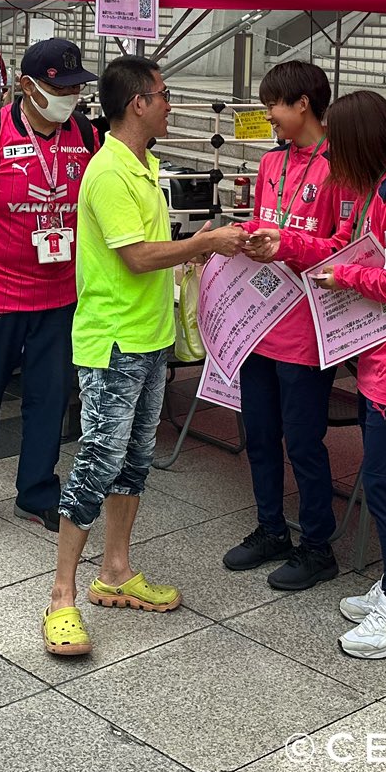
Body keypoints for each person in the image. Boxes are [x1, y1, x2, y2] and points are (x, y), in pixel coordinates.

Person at [42, 56, 249, 659]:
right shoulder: (109, 171)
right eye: (163, 95)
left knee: (134, 461)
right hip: (113, 341)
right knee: (96, 462)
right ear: (138, 103)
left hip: (151, 338)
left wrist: (198, 249)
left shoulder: (145, 165)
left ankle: (116, 570)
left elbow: (152, 251)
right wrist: (204, 240)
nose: (169, 104)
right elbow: (135, 257)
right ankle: (61, 597)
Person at [245, 88, 386, 658]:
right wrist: (285, 243)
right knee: (384, 480)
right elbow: (340, 245)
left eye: (339, 142)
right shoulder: (370, 192)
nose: (331, 153)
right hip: (381, 359)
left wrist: (346, 280)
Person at [0, 38, 99, 529]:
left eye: (75, 88)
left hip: (59, 297)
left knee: (49, 399)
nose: (69, 97)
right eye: (60, 88)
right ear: (27, 86)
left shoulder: (86, 135)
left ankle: (37, 490)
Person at [225, 61, 346, 592]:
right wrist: (241, 236)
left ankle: (318, 546)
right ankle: (271, 529)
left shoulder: (340, 165)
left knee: (303, 443)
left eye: (273, 104)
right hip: (259, 321)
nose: (268, 115)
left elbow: (344, 248)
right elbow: (264, 222)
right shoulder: (271, 161)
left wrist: (287, 244)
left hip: (306, 329)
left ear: (303, 104)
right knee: (258, 436)